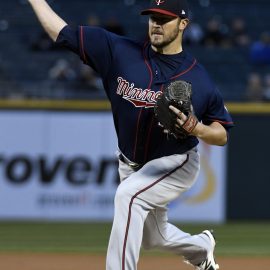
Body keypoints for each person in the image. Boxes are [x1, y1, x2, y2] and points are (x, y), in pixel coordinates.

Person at [27, 0, 234, 269]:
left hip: (176, 162)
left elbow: (221, 134)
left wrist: (198, 128)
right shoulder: (118, 51)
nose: (156, 25)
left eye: (164, 19)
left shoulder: (199, 78)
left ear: (183, 24)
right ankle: (201, 247)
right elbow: (61, 31)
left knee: (128, 196)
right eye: (152, 18)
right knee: (153, 237)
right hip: (131, 164)